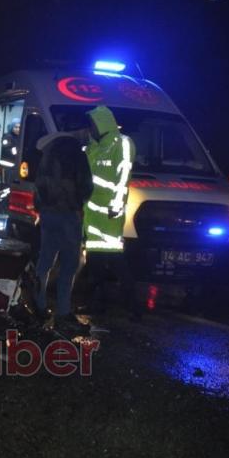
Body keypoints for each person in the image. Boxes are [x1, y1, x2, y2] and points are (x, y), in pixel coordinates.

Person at [32, 124, 94, 334]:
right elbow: (86, 186)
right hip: (69, 215)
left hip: (48, 215)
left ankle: (38, 305)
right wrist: (78, 204)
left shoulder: (47, 156)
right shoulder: (77, 155)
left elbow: (38, 186)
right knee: (69, 264)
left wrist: (42, 208)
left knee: (45, 261)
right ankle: (63, 311)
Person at [82, 106, 138, 315]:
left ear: (101, 123)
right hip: (92, 217)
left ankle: (132, 307)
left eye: (93, 125)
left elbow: (123, 175)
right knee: (95, 265)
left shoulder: (122, 143)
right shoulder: (92, 148)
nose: (90, 129)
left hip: (109, 215)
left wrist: (116, 204)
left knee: (117, 263)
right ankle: (97, 305)